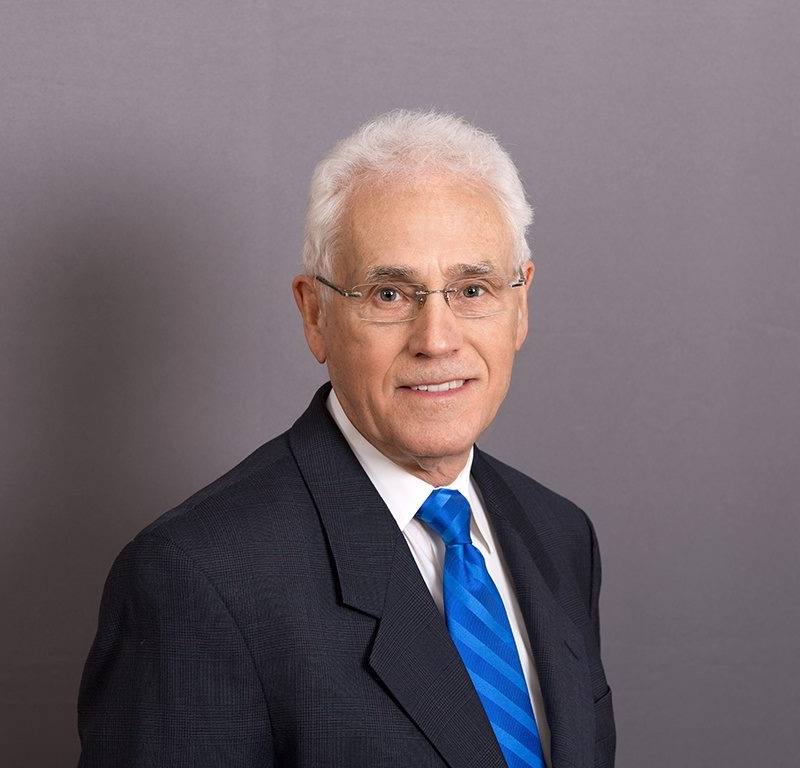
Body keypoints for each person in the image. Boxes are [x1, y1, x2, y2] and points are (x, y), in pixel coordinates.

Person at [77, 110, 615, 768]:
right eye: (390, 294)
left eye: (472, 289)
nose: (437, 340)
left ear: (520, 304)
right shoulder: (198, 579)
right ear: (315, 315)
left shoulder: (559, 535)